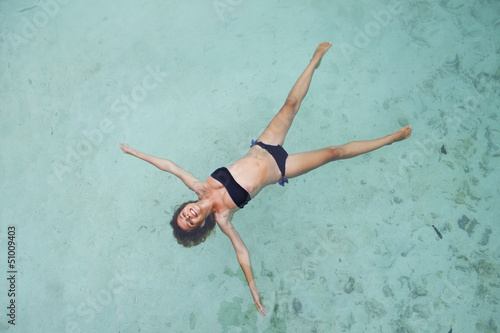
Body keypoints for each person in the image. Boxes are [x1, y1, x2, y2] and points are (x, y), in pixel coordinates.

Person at [119, 42, 412, 317]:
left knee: (291, 104)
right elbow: (242, 251)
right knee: (335, 152)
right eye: (190, 221)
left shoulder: (199, 186)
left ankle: (314, 61)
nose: (190, 214)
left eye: (184, 214)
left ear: (184, 207)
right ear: (199, 226)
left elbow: (169, 166)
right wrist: (252, 287)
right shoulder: (223, 218)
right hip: (281, 168)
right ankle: (389, 140)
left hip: (263, 145)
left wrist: (136, 153)